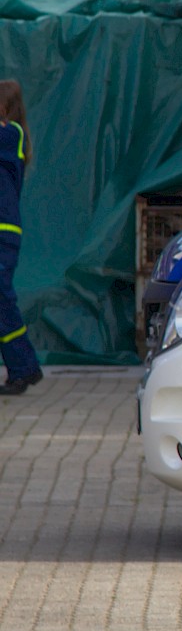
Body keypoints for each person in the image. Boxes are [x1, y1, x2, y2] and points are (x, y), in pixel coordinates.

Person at [0, 78, 41, 395]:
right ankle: (24, 369)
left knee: (3, 300)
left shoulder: (11, 134)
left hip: (4, 233)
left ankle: (24, 369)